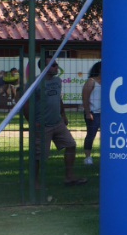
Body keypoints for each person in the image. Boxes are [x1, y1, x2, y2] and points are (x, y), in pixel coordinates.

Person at [31, 55, 87, 188]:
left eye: (56, 64)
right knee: (38, 155)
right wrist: (33, 121)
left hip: (58, 123)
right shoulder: (35, 83)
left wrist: (63, 114)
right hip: (42, 125)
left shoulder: (57, 81)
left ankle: (69, 177)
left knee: (71, 145)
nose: (57, 67)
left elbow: (58, 98)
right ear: (44, 67)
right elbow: (27, 104)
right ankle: (34, 183)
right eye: (54, 65)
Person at [80, 62, 102, 165]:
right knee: (91, 135)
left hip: (105, 114)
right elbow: (85, 98)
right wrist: (88, 113)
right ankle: (87, 157)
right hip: (94, 113)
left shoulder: (108, 81)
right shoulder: (91, 81)